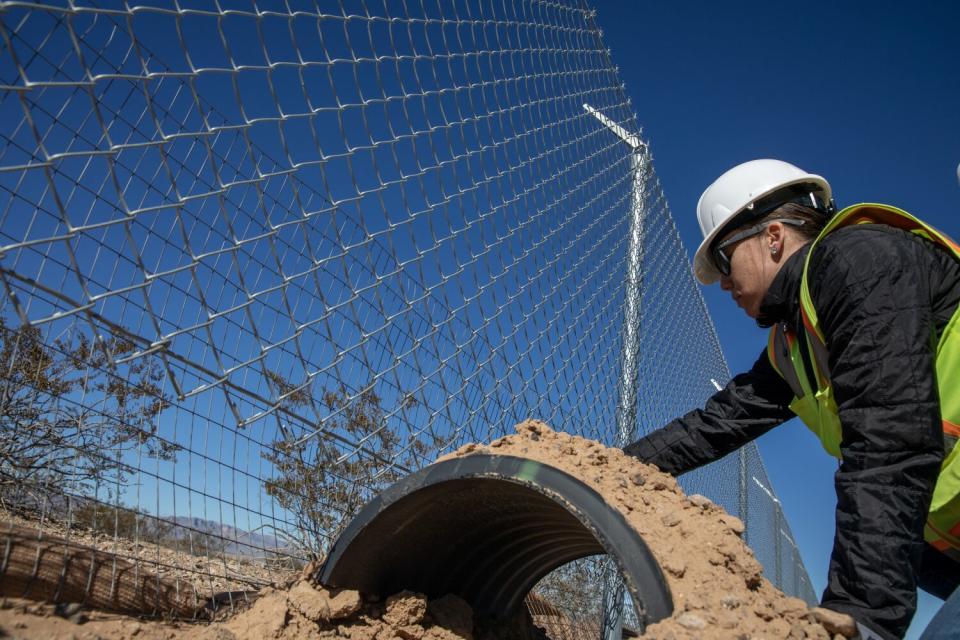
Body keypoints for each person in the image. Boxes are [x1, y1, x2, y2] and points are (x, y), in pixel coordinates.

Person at [624, 159, 960, 640]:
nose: (723, 282)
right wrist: (605, 468)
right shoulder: (793, 345)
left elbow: (891, 439)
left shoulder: (859, 261)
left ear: (774, 236)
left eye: (723, 259)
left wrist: (857, 621)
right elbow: (714, 425)